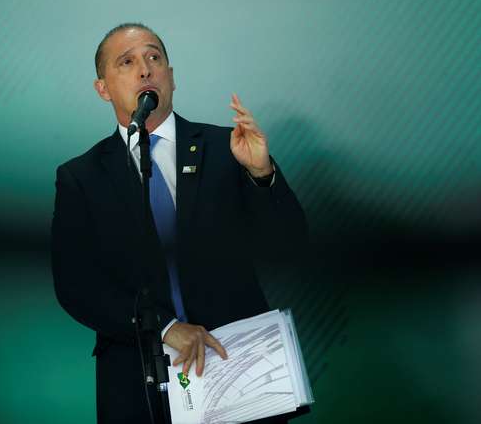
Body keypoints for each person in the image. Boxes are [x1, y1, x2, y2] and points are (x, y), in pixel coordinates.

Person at [51, 23, 307, 423]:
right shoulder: (81, 177)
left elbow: (288, 246)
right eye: (128, 62)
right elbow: (75, 286)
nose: (145, 70)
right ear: (103, 88)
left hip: (237, 366)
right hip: (138, 382)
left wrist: (261, 174)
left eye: (154, 58)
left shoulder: (229, 148)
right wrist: (167, 328)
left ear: (171, 76)